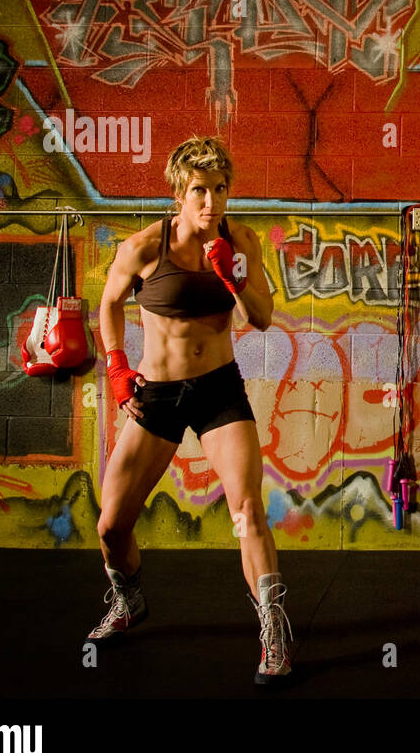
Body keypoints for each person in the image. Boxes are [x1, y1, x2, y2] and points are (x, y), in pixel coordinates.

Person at [91, 136, 291, 684]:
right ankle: (128, 599)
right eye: (200, 190)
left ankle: (273, 632)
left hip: (219, 390)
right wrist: (115, 365)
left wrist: (235, 279)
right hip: (156, 394)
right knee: (111, 527)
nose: (211, 202)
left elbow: (264, 317)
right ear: (180, 193)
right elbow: (108, 303)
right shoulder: (143, 248)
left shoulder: (241, 239)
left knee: (248, 509)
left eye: (220, 189)